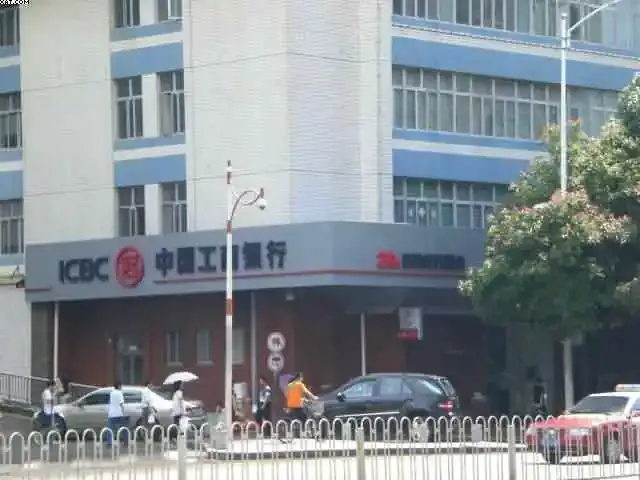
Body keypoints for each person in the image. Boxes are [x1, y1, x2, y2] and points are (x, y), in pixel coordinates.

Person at [286, 373, 317, 438]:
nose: (302, 379)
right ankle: (307, 432)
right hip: (298, 404)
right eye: (302, 378)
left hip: (291, 405)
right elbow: (307, 392)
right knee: (305, 417)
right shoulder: (300, 384)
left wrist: (303, 399)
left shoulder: (290, 385)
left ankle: (298, 430)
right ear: (299, 377)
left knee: (297, 416)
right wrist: (314, 397)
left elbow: (290, 395)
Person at [107, 381, 127, 446]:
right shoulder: (119, 393)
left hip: (111, 414)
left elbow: (110, 402)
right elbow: (121, 404)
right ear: (119, 386)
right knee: (124, 428)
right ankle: (126, 441)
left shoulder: (112, 393)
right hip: (119, 413)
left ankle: (109, 442)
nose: (121, 387)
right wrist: (124, 412)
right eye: (121, 386)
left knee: (110, 429)